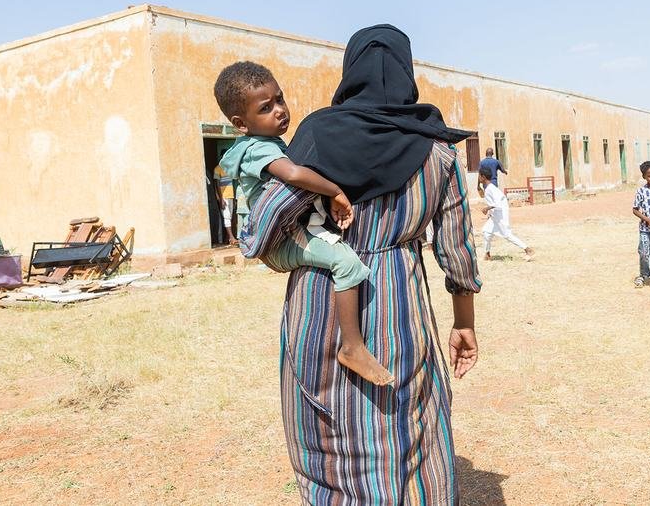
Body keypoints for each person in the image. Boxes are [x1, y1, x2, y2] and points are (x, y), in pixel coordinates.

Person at [239, 25, 481, 503]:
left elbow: (265, 227)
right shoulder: (438, 153)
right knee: (406, 414)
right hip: (400, 303)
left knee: (327, 425)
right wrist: (464, 324)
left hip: (320, 300)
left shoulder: (315, 138)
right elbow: (457, 251)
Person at [213, 61, 394, 386]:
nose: (280, 111)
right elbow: (295, 175)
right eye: (266, 108)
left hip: (290, 232)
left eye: (280, 100)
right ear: (241, 123)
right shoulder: (257, 149)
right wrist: (336, 191)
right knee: (346, 262)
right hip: (281, 242)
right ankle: (352, 347)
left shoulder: (269, 143)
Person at [479, 170, 534, 261]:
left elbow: (498, 203)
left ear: (483, 177)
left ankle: (528, 249)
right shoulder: (488, 188)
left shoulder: (491, 188)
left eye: (479, 176)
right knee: (486, 232)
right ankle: (487, 254)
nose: (478, 178)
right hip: (494, 216)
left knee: (507, 235)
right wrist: (490, 213)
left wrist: (487, 208)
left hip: (500, 216)